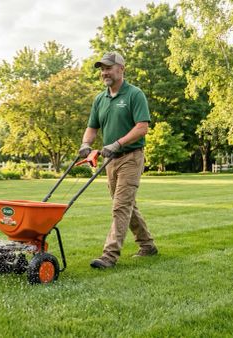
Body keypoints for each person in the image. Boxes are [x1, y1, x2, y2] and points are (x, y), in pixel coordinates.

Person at [79, 51, 158, 269]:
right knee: (126, 205)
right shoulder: (100, 99)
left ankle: (109, 255)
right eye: (102, 68)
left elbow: (142, 127)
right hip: (110, 161)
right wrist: (86, 144)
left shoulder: (134, 94)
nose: (104, 72)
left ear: (121, 69)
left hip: (131, 157)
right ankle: (148, 245)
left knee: (120, 206)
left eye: (108, 67)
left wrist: (118, 143)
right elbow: (92, 127)